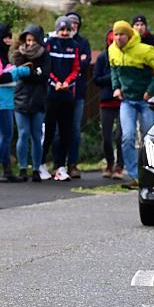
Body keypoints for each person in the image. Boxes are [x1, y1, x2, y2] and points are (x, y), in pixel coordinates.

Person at [109, 20, 154, 187]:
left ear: (129, 36)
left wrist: (150, 91)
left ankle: (151, 172)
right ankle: (135, 175)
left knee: (148, 136)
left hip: (145, 101)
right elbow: (113, 69)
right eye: (116, 34)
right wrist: (116, 87)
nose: (118, 37)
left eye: (122, 34)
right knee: (127, 136)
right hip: (127, 100)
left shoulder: (144, 50)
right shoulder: (112, 50)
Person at [0, 22, 30, 183]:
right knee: (6, 135)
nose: (9, 40)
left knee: (7, 136)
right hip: (0, 100)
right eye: (6, 37)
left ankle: (7, 170)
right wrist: (20, 71)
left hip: (5, 100)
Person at [10, 24, 50, 182]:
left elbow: (44, 75)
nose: (31, 43)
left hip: (39, 100)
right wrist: (33, 72)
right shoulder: (19, 54)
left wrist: (31, 72)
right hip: (21, 99)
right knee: (23, 133)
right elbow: (20, 72)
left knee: (36, 135)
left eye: (34, 40)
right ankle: (22, 167)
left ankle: (35, 168)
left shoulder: (45, 55)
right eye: (28, 40)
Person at [42, 16, 80, 181]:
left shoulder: (75, 46)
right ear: (57, 30)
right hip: (51, 94)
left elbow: (77, 69)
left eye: (67, 30)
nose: (64, 33)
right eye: (62, 30)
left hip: (67, 94)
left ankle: (60, 166)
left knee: (66, 132)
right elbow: (46, 67)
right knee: (49, 131)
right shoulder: (50, 44)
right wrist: (55, 82)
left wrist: (66, 83)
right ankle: (41, 163)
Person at [93, 29, 124, 179]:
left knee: (121, 136)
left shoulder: (125, 57)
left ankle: (120, 166)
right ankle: (109, 163)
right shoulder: (102, 58)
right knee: (106, 136)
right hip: (106, 102)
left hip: (122, 102)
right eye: (112, 40)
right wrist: (113, 77)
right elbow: (96, 79)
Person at [64, 11, 91, 179]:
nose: (73, 25)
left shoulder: (83, 42)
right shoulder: (58, 41)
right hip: (60, 90)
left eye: (75, 23)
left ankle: (72, 163)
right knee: (59, 129)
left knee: (75, 129)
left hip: (78, 92)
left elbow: (84, 64)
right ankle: (58, 163)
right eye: (70, 22)